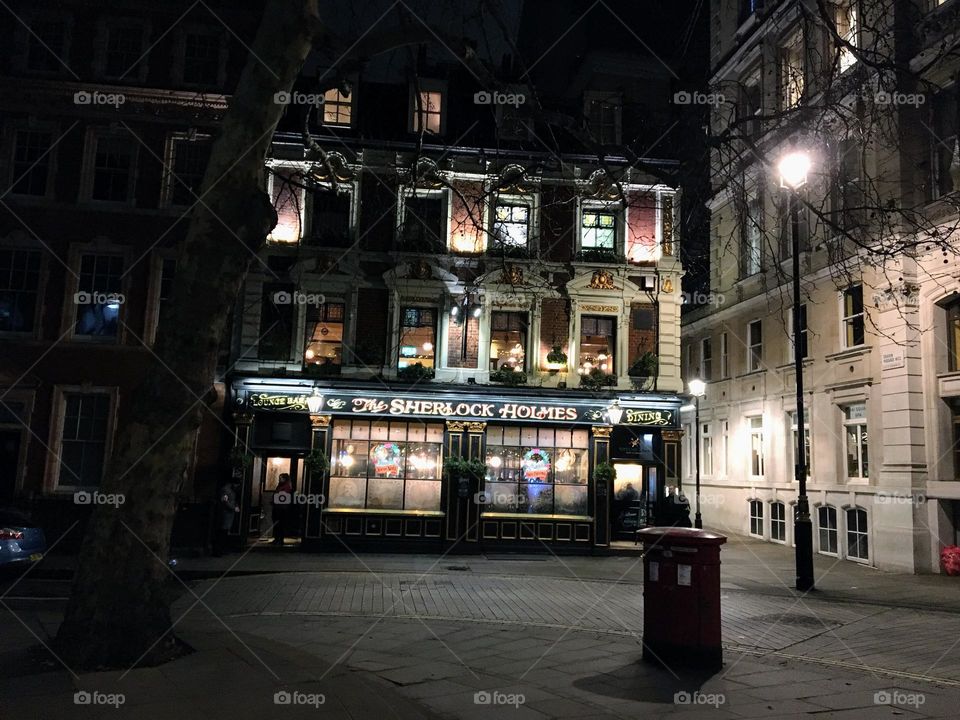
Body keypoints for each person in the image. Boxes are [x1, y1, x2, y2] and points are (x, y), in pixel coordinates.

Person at [214, 481, 239, 556]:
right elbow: (225, 501)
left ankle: (222, 549)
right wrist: (233, 508)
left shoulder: (229, 490)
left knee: (224, 531)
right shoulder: (226, 490)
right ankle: (219, 550)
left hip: (228, 513)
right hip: (226, 513)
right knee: (223, 531)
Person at [272, 473, 293, 546]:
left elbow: (283, 496)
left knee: (280, 524)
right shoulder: (281, 485)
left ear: (285, 479)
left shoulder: (286, 486)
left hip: (282, 508)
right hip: (278, 507)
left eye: (281, 478)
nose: (279, 479)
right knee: (277, 524)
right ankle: (277, 538)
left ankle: (280, 540)